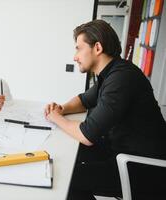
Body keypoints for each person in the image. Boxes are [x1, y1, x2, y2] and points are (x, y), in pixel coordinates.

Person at [44, 20, 166, 200]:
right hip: (120, 149)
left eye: (78, 48)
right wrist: (62, 109)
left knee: (65, 178)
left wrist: (56, 118)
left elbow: (87, 135)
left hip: (143, 167)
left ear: (97, 47)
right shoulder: (111, 73)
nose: (75, 56)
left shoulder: (121, 78)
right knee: (67, 156)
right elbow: (84, 100)